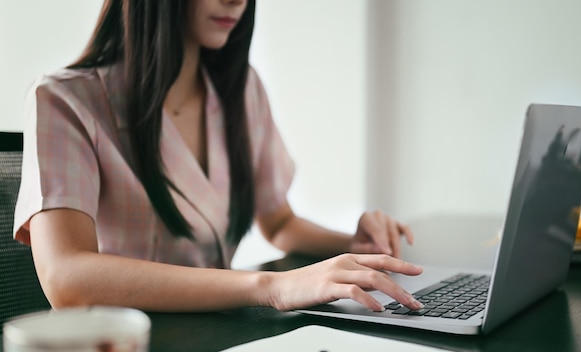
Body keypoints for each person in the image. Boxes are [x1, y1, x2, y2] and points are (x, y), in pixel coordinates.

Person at [13, 0, 423, 313]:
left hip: (223, 329)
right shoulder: (64, 100)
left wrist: (355, 246)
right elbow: (66, 277)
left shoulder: (241, 91)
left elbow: (278, 222)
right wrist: (270, 286)